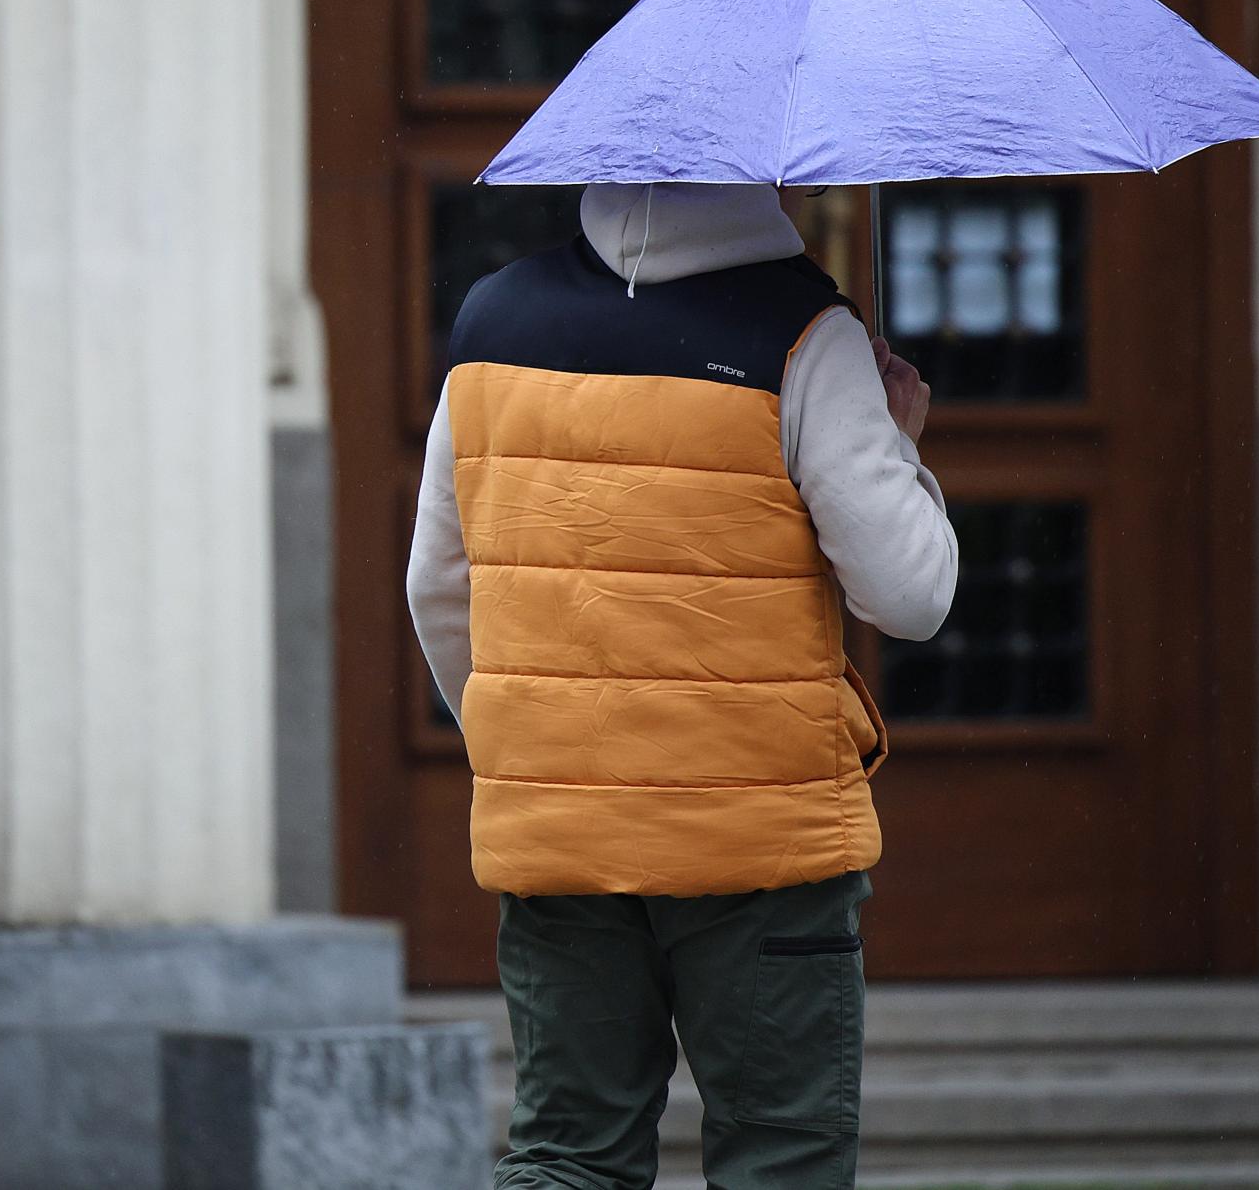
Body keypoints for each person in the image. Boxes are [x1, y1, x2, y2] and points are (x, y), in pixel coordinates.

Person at [407, 180, 957, 1189]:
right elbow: (908, 592)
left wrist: (537, 745)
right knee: (778, 1155)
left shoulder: (491, 323)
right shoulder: (803, 331)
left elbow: (436, 586)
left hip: (559, 832)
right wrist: (899, 445)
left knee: (568, 1154)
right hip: (762, 847)